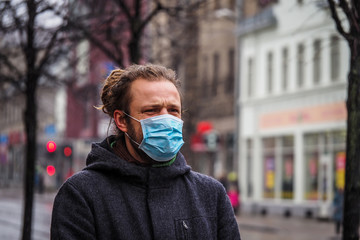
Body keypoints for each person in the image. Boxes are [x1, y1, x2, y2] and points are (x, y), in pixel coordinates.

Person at [51, 64, 241, 240]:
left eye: (173, 110)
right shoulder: (81, 194)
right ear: (122, 120)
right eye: (152, 110)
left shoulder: (211, 194)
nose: (166, 119)